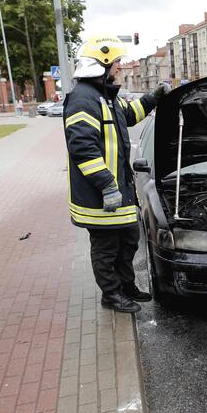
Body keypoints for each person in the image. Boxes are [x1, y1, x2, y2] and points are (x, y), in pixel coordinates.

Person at [63, 35, 170, 313]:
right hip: (100, 197)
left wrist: (153, 98)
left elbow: (131, 113)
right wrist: (107, 185)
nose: (120, 68)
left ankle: (126, 286)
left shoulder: (106, 97)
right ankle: (111, 295)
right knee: (106, 249)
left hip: (118, 193)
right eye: (117, 63)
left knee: (129, 242)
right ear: (103, 64)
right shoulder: (82, 100)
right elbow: (82, 149)